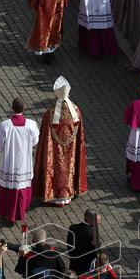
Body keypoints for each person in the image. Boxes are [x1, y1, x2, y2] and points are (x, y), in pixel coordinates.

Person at [34, 77, 88, 206]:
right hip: (71, 150)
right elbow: (80, 135)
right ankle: (69, 191)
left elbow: (44, 136)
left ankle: (53, 193)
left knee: (56, 166)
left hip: (55, 150)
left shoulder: (50, 113)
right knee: (69, 166)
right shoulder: (76, 111)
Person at [0, 98, 41, 224]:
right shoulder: (31, 125)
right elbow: (35, 141)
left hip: (9, 162)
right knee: (22, 188)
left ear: (12, 108)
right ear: (24, 108)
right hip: (24, 162)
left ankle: (6, 213)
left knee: (7, 189)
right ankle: (20, 211)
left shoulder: (5, 125)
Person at [66, 209, 101, 275]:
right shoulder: (92, 235)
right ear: (89, 220)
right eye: (97, 220)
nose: (99, 222)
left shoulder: (73, 227)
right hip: (85, 267)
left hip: (73, 263)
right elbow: (95, 253)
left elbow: (69, 245)